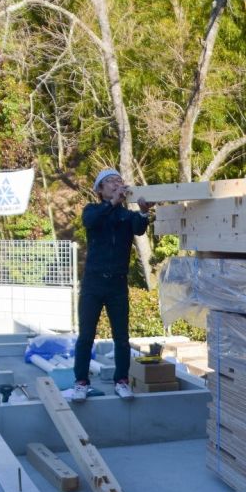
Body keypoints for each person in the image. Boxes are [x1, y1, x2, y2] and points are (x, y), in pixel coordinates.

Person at [72, 169, 155, 401]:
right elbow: (91, 221)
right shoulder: (93, 210)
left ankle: (122, 380)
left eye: (119, 180)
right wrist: (112, 204)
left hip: (118, 283)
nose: (116, 184)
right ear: (100, 190)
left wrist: (144, 211)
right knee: (86, 335)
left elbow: (139, 227)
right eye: (110, 181)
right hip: (93, 282)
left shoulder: (126, 215)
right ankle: (81, 382)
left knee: (121, 337)